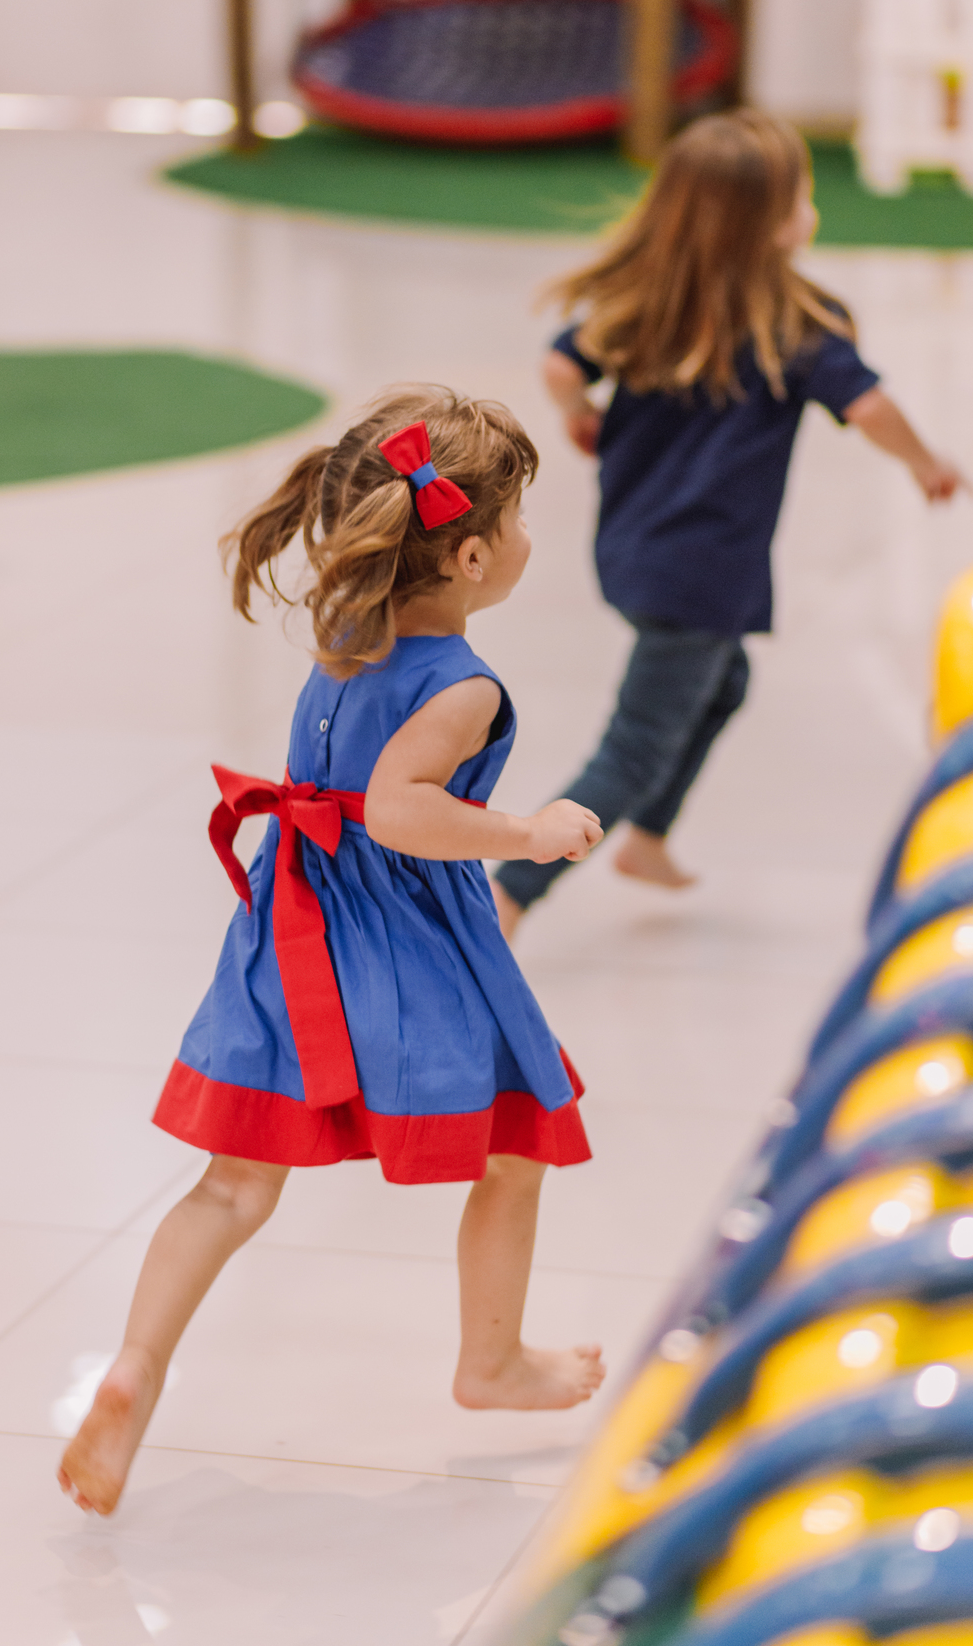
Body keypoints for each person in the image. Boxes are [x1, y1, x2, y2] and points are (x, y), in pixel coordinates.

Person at [58, 388, 605, 1517]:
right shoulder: (464, 685)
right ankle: (492, 1362)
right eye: (518, 522)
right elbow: (400, 811)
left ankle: (136, 1368)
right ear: (468, 557)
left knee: (234, 1182)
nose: (527, 540)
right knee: (516, 1144)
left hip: (295, 921)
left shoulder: (350, 630)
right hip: (403, 938)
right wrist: (527, 834)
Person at [493, 109, 970, 942]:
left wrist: (579, 414)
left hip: (633, 548)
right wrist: (926, 463)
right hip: (704, 572)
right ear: (774, 222)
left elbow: (559, 364)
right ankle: (510, 894)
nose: (810, 208)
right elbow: (872, 408)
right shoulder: (802, 326)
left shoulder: (646, 303)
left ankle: (648, 840)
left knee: (725, 682)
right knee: (634, 746)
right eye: (802, 195)